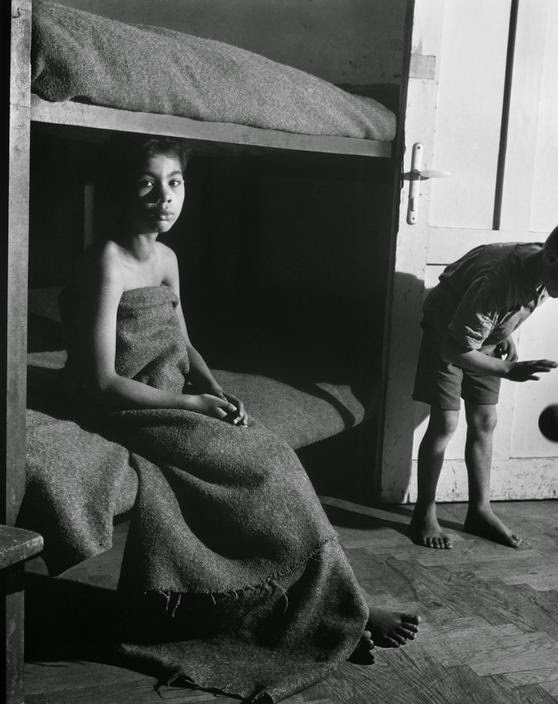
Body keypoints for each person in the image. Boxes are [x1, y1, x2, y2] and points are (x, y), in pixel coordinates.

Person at [63, 135, 418, 701]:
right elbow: (102, 382)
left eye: (175, 182)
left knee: (271, 455)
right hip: (127, 408)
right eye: (147, 183)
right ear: (121, 190)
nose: (164, 197)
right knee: (263, 466)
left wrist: (213, 387)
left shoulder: (167, 258)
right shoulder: (106, 260)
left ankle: (329, 607)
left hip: (174, 395)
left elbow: (182, 341)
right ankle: (338, 607)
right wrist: (192, 405)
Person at [410, 218, 558, 550]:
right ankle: (424, 513)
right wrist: (507, 370)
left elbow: (502, 309)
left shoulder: (546, 266)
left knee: (485, 420)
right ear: (552, 259)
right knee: (445, 422)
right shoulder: (498, 282)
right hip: (447, 334)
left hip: (480, 336)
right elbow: (454, 348)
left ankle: (480, 511)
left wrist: (503, 333)